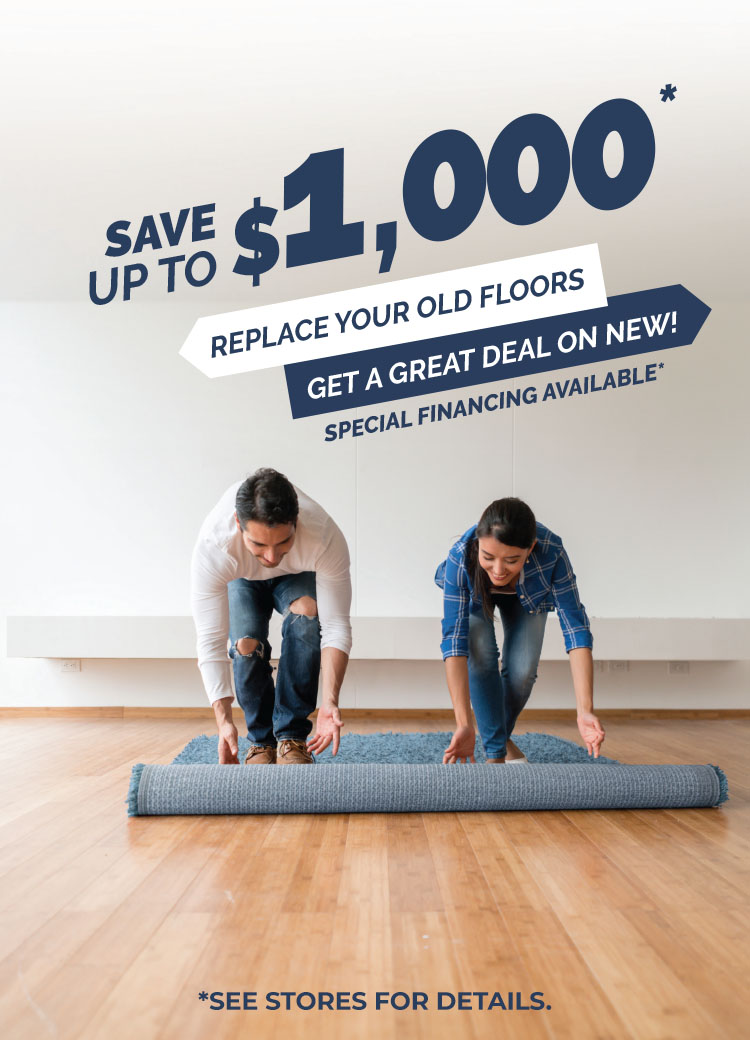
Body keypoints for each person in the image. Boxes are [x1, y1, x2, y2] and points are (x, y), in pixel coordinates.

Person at [191, 468, 352, 765]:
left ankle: (291, 737)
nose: (271, 558)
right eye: (259, 544)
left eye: (282, 543)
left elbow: (336, 626)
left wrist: (330, 702)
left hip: (297, 574)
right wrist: (224, 722)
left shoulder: (323, 535)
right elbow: (210, 641)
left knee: (306, 613)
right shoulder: (216, 546)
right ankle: (262, 741)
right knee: (245, 643)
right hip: (241, 577)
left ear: (296, 522)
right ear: (239, 524)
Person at [435, 497, 605, 764]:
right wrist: (463, 724)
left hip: (528, 596)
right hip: (475, 595)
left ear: (531, 548)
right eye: (488, 557)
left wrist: (585, 710)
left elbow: (576, 629)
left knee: (522, 671)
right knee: (481, 656)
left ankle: (497, 739)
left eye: (512, 560)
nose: (499, 570)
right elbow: (454, 642)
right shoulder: (461, 554)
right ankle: (495, 754)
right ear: (478, 545)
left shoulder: (552, 551)